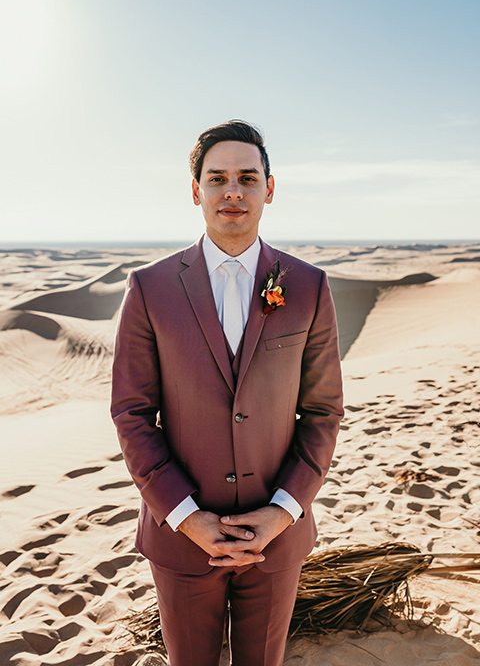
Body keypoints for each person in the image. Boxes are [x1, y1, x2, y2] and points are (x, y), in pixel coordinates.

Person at [111, 120, 344, 666]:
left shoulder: (308, 285)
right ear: (197, 192)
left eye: (247, 176)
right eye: (217, 178)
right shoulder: (150, 287)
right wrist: (186, 516)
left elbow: (323, 411)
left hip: (277, 538)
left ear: (269, 187)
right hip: (181, 537)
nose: (232, 191)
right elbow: (132, 413)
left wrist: (283, 510)